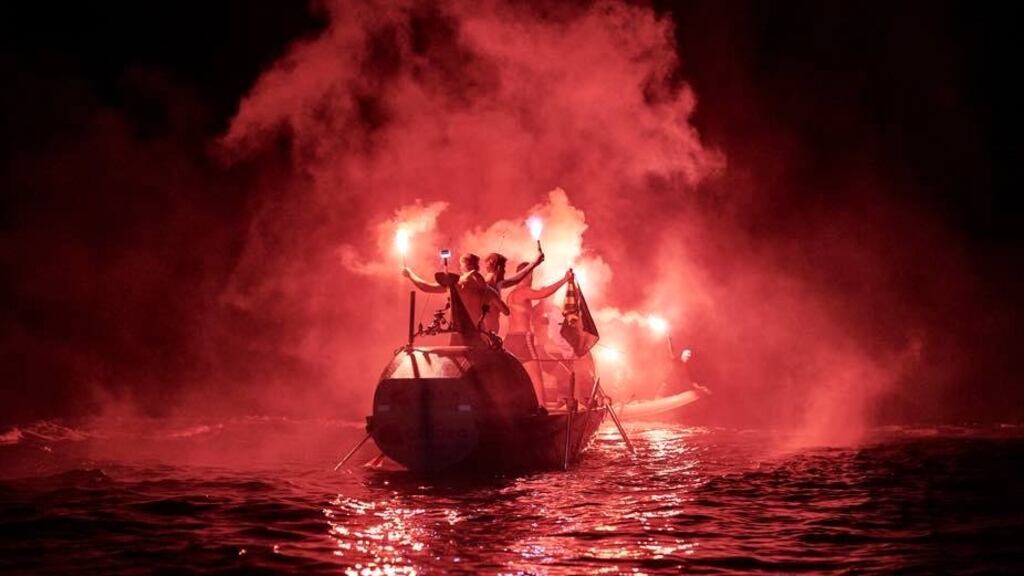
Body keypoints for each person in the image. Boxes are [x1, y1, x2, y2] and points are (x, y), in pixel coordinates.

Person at [504, 264, 572, 404]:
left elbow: (530, 312)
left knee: (516, 377)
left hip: (509, 340)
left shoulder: (512, 294)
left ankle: (519, 407)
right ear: (527, 275)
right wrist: (565, 280)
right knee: (536, 377)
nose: (532, 278)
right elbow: (544, 293)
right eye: (531, 275)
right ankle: (542, 409)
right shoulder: (523, 291)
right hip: (523, 339)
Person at [402, 253, 508, 328]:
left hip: (460, 334)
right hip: (480, 335)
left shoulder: (456, 285)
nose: (460, 268)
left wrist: (410, 274)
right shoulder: (488, 290)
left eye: (461, 265)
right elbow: (506, 311)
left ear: (467, 266)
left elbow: (426, 287)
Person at [479, 250, 544, 332]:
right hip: (486, 330)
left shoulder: (498, 284)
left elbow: (516, 279)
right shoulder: (488, 285)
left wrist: (534, 263)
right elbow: (505, 311)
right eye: (504, 268)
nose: (505, 271)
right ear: (499, 268)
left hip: (491, 330)